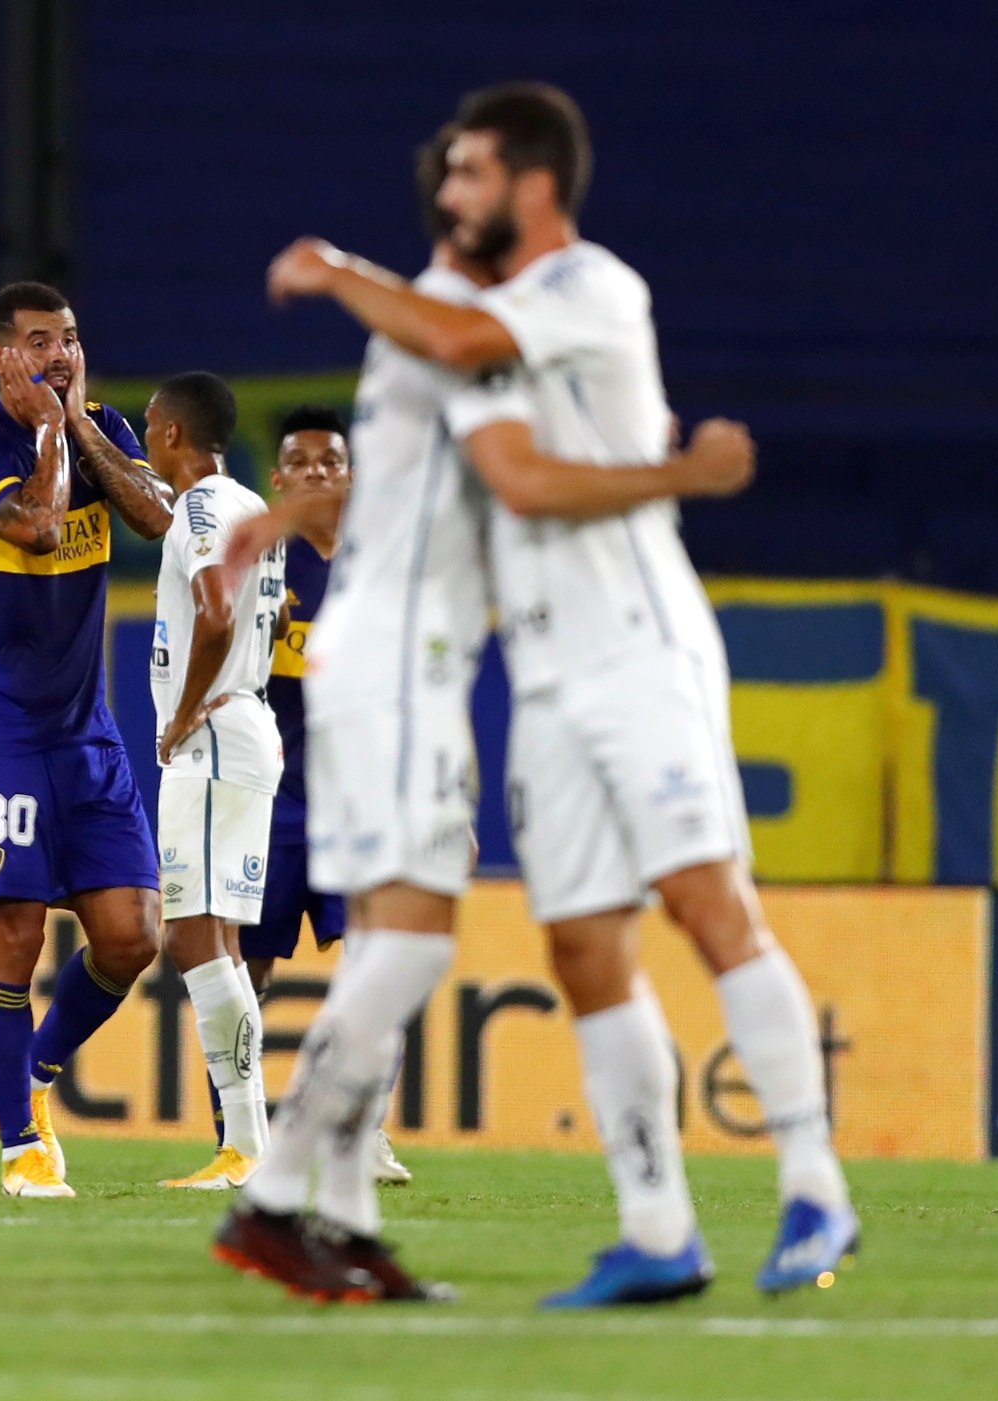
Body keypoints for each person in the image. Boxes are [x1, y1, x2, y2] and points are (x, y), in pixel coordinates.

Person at [257, 82, 853, 1307]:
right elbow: (502, 472)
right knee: (582, 946)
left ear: (529, 186)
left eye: (468, 175)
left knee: (702, 898)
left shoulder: (586, 289)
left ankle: (813, 1185)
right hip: (538, 674)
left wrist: (332, 269)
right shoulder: (471, 325)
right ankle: (656, 1230)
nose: (449, 194)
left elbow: (496, 414)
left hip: (639, 646)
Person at [0, 281, 174, 1198]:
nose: (59, 355)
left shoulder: (100, 424)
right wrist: (45, 435)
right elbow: (34, 530)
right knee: (15, 938)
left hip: (85, 730)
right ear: (0, 357)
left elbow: (152, 514)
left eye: (68, 338)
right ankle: (20, 1143)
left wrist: (78, 426)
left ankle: (32, 1066)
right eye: (38, 342)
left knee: (130, 937)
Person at [236, 404, 413, 1189]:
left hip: (359, 802)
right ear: (276, 480)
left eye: (329, 461)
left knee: (377, 966)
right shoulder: (251, 560)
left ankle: (365, 1130)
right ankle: (240, 1136)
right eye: (299, 462)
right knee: (249, 970)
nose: (315, 472)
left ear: (350, 474)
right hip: (271, 801)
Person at [142, 371, 287, 1191]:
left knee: (192, 936)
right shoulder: (249, 511)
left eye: (151, 427)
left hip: (216, 733)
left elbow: (216, 610)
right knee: (221, 941)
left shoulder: (199, 509)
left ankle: (244, 1140)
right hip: (248, 723)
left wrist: (182, 711)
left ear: (169, 434)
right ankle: (251, 1143)